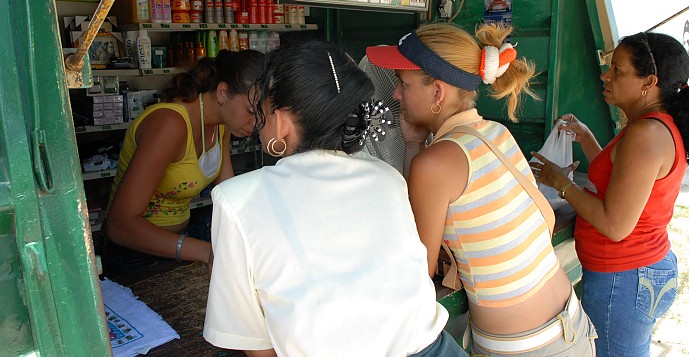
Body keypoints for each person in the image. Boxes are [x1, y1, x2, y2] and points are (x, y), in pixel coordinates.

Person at [203, 41, 467, 357]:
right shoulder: (386, 178)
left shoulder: (236, 202)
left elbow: (254, 344)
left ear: (282, 122)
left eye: (263, 108)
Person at [366, 22, 596, 356]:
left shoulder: (435, 164)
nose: (396, 95)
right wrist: (414, 143)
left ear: (437, 92)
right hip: (572, 328)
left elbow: (417, 271)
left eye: (402, 84)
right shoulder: (496, 132)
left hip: (523, 348)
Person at [531, 31, 689, 357]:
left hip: (625, 278)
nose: (606, 75)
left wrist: (560, 182)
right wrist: (587, 138)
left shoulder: (646, 133)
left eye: (617, 70)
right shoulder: (651, 126)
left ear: (649, 82)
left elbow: (615, 223)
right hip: (638, 269)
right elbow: (622, 182)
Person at [102, 49, 264, 275]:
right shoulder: (171, 123)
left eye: (261, 115)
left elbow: (228, 196)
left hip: (181, 239)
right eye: (250, 111)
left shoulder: (222, 126)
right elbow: (119, 226)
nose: (255, 123)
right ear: (223, 92)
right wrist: (206, 252)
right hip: (132, 255)